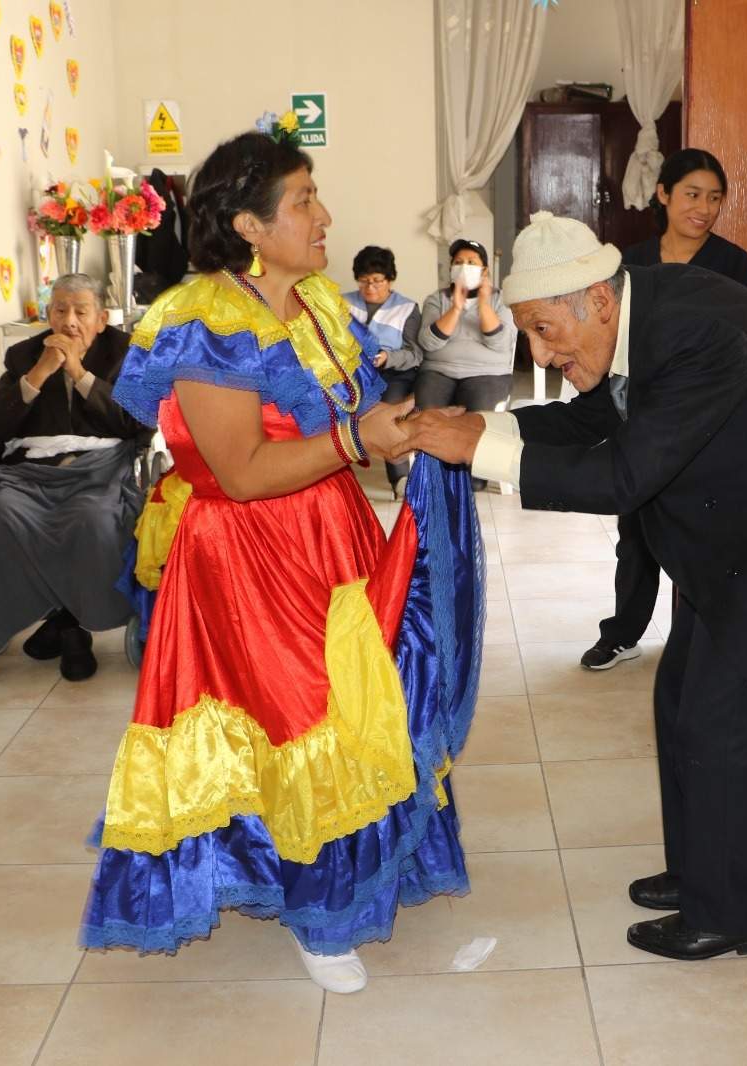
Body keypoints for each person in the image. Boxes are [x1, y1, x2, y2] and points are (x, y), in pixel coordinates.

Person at [402, 211, 747, 961]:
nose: (540, 352)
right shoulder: (636, 316)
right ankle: (704, 869)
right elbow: (593, 419)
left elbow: (624, 473)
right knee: (680, 701)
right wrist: (487, 428)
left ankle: (736, 915)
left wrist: (484, 453)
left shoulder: (700, 334)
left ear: (597, 302)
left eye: (545, 331)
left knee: (717, 723)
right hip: (740, 543)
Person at [79, 128, 484, 996]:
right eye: (303, 201)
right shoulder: (206, 321)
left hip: (329, 534)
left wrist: (418, 429)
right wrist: (353, 439)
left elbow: (360, 415)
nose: (323, 215)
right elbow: (241, 471)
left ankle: (332, 881)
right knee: (300, 724)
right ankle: (317, 911)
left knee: (353, 709)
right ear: (248, 225)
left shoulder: (320, 306)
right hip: (248, 557)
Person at [583, 148, 747, 671]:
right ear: (662, 195)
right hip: (642, 417)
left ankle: (701, 641)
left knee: (703, 534)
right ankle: (623, 633)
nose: (703, 208)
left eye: (714, 198)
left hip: (711, 420)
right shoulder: (630, 263)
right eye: (692, 195)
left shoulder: (733, 264)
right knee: (636, 533)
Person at [0, 273, 147, 681]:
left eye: (80, 312)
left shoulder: (127, 353)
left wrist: (81, 375)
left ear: (101, 319)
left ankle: (70, 622)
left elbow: (137, 423)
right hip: (30, 474)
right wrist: (37, 375)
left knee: (94, 519)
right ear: (48, 316)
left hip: (97, 472)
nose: (70, 322)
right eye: (61, 311)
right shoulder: (23, 356)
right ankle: (63, 623)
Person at [343, 245, 422, 496]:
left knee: (389, 408)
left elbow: (415, 354)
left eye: (377, 281)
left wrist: (389, 357)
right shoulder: (342, 303)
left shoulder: (407, 308)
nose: (370, 288)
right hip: (351, 372)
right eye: (364, 281)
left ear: (390, 280)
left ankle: (399, 478)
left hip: (393, 373)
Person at [416, 237, 516, 415]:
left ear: (484, 271)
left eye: (471, 263)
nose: (464, 267)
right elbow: (428, 343)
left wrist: (484, 305)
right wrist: (456, 308)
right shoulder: (436, 299)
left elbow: (501, 343)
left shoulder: (502, 299)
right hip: (438, 371)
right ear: (451, 269)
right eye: (458, 262)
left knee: (481, 421)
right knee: (426, 417)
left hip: (489, 373)